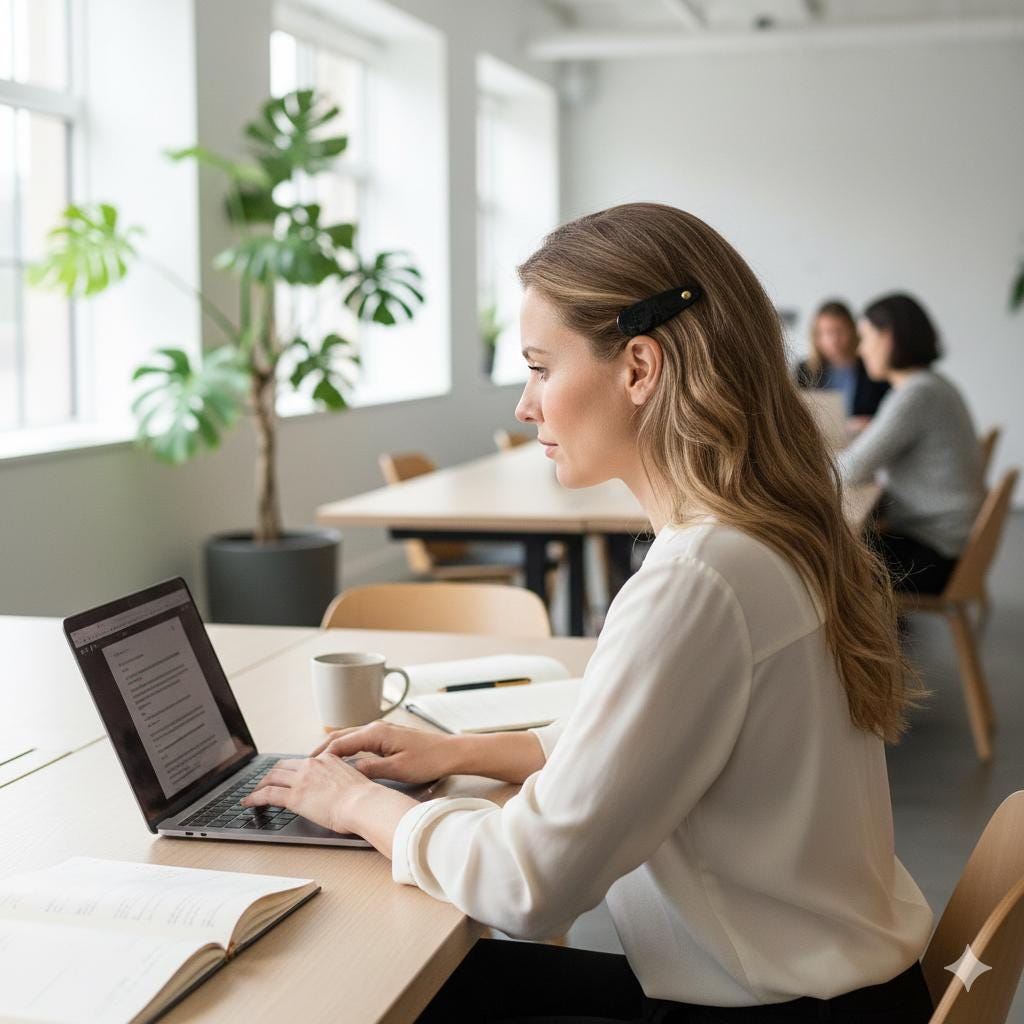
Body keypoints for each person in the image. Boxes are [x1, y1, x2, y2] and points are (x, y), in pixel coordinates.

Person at [243, 204, 935, 1023]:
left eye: (540, 367)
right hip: (844, 994)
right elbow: (653, 738)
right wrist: (465, 750)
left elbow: (528, 884)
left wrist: (357, 804)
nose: (525, 406)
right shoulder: (765, 535)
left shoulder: (699, 580)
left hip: (776, 1010)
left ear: (639, 368)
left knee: (372, 988)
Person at [837, 294, 985, 596]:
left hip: (934, 554)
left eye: (865, 337)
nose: (860, 349)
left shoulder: (915, 394)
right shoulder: (932, 385)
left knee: (824, 562)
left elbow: (851, 470)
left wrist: (792, 467)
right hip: (949, 540)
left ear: (888, 337)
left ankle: (858, 640)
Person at [796, 299, 889, 430]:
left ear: (853, 331)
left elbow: (888, 412)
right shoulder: (804, 370)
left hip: (864, 438)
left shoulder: (873, 367)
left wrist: (872, 422)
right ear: (816, 335)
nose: (834, 340)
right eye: (827, 332)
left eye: (840, 331)